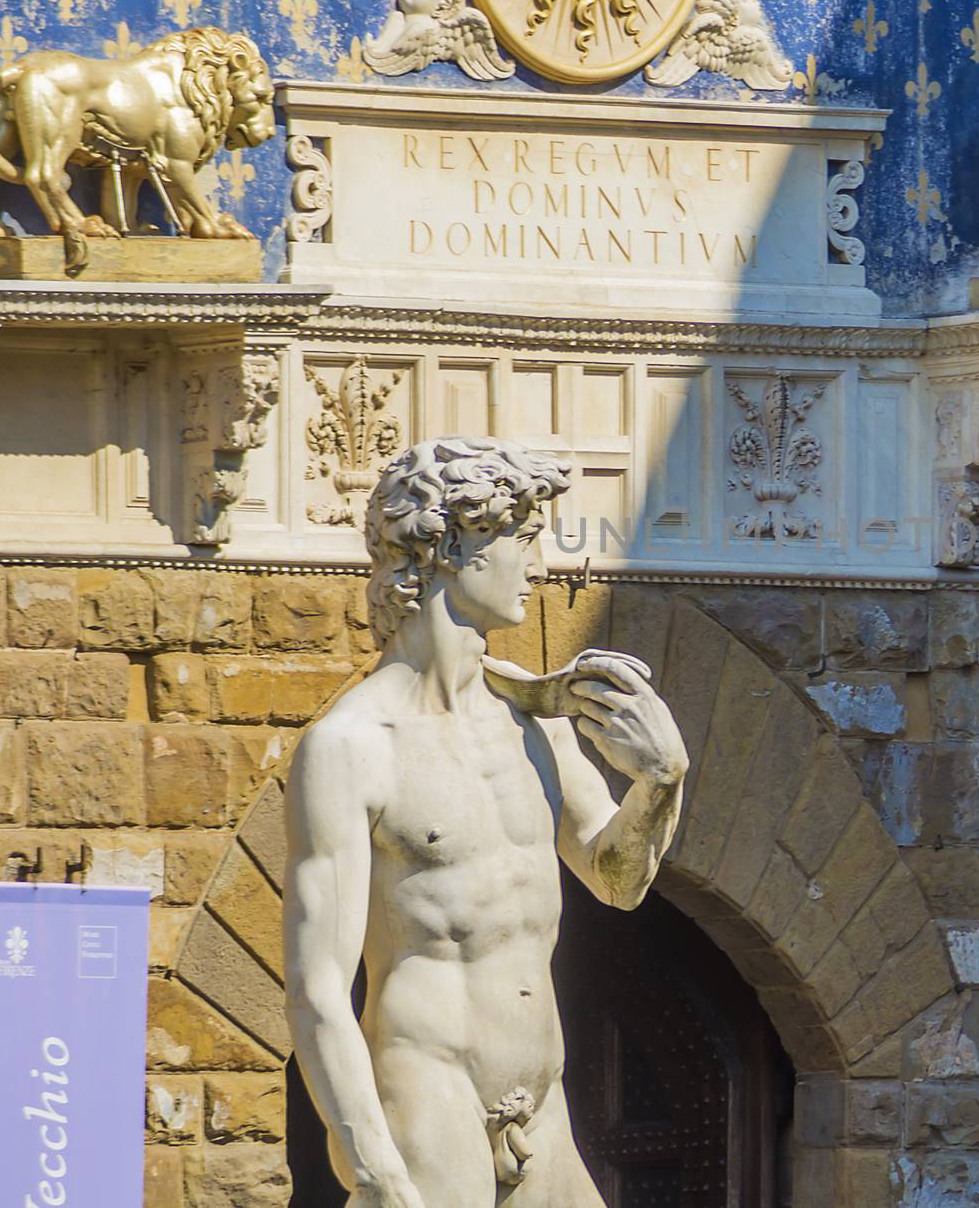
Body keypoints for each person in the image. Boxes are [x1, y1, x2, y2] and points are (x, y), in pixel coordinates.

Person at [284, 436, 689, 1207]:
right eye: (524, 539)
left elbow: (618, 881)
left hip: (543, 1098)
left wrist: (661, 780)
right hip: (427, 1093)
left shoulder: (538, 718)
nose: (539, 566)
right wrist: (372, 1167)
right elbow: (317, 990)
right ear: (452, 544)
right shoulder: (351, 748)